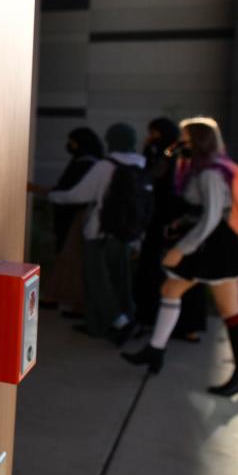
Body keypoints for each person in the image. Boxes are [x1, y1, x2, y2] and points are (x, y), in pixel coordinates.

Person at [123, 117, 238, 399]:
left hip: (215, 249)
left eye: (185, 138)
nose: (180, 143)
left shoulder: (211, 173)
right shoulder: (203, 169)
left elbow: (212, 217)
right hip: (212, 247)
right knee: (178, 293)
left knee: (226, 309)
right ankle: (157, 351)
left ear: (198, 141)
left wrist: (182, 249)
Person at [33, 123, 146, 343]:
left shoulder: (106, 166)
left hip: (100, 233)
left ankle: (119, 323)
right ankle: (117, 321)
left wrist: (52, 196)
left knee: (97, 282)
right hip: (126, 235)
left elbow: (78, 195)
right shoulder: (140, 165)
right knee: (120, 281)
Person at [133, 117, 208, 341]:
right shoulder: (177, 156)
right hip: (173, 224)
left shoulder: (186, 160)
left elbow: (153, 178)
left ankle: (173, 324)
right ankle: (175, 325)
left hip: (177, 226)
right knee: (175, 277)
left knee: (176, 275)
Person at [40, 127, 104, 318]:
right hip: (76, 217)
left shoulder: (87, 164)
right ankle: (70, 301)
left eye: (73, 141)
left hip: (76, 218)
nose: (70, 146)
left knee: (70, 259)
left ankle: (72, 302)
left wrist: (49, 194)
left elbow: (74, 193)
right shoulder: (92, 162)